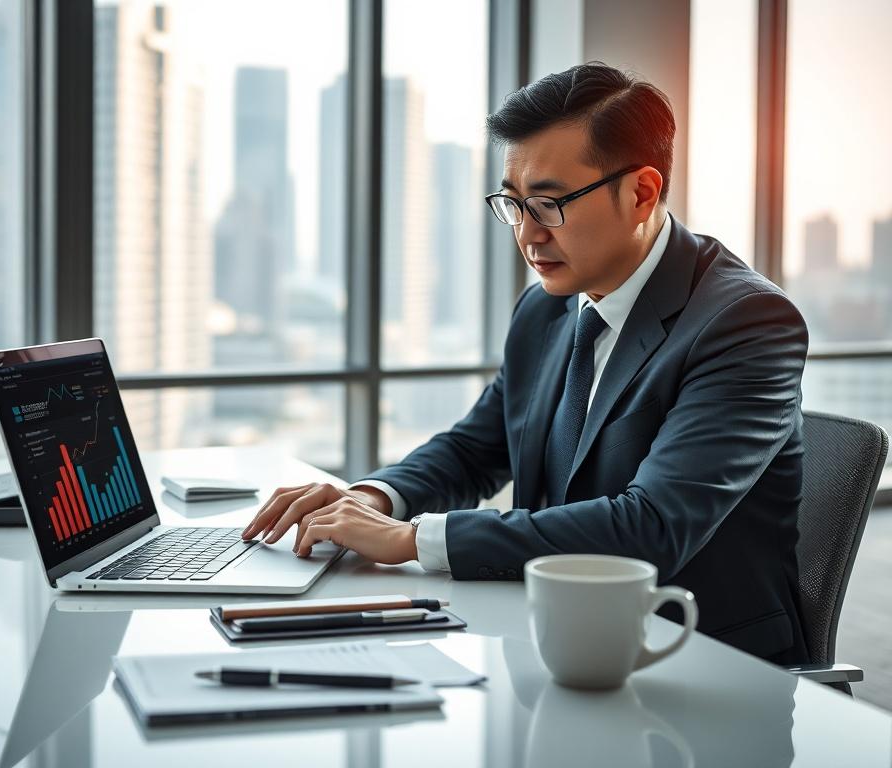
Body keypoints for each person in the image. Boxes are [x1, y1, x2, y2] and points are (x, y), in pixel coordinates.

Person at [242, 62, 809, 663]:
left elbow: (653, 527)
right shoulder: (546, 310)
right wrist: (373, 498)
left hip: (697, 664)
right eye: (513, 204)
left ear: (641, 193)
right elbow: (477, 447)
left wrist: (412, 539)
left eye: (549, 204)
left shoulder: (746, 324)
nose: (528, 236)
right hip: (542, 638)